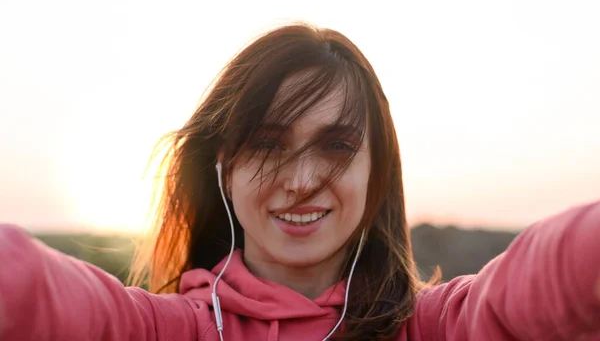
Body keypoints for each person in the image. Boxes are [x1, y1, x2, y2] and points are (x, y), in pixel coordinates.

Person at [0, 23, 599, 341]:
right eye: (267, 143)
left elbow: (540, 282)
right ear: (223, 168)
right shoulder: (166, 330)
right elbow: (43, 295)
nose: (303, 180)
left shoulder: (434, 329)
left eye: (337, 146)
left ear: (377, 174)